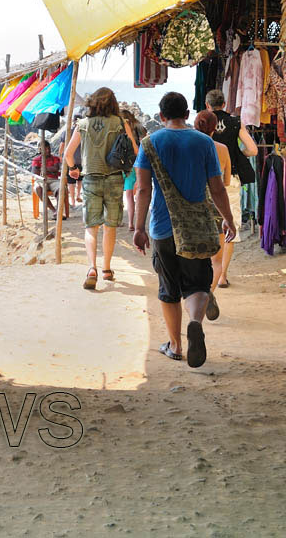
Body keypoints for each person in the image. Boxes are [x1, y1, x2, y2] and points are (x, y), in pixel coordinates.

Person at [133, 92, 236, 368]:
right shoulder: (204, 142)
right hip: (196, 228)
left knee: (168, 288)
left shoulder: (150, 143)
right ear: (188, 114)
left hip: (163, 229)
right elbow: (217, 188)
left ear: (162, 115)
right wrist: (228, 219)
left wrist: (138, 227)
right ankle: (194, 323)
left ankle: (176, 345)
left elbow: (143, 189)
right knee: (198, 284)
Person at [64, 87, 137, 289]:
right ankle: (106, 268)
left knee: (91, 227)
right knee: (110, 226)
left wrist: (73, 170)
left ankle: (91, 268)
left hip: (90, 179)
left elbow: (68, 154)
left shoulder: (82, 124)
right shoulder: (121, 123)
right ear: (113, 103)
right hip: (114, 178)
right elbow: (135, 150)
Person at [194, 110, 232, 319]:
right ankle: (208, 293)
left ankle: (198, 294)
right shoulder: (223, 149)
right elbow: (225, 182)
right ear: (214, 127)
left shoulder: (189, 147)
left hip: (194, 205)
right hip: (216, 205)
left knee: (196, 255)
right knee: (216, 259)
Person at [204, 88, 258, 233]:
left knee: (211, 226)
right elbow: (253, 150)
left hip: (208, 179)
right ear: (224, 104)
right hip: (231, 176)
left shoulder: (203, 123)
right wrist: (238, 154)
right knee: (231, 225)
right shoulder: (235, 122)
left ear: (207, 105)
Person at [119, 109, 147, 231]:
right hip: (134, 162)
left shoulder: (117, 126)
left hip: (118, 162)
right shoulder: (138, 126)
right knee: (130, 196)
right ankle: (131, 223)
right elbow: (145, 143)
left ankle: (117, 220)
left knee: (118, 195)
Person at [30, 139, 62, 218]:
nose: (48, 150)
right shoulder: (36, 159)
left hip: (54, 180)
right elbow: (35, 172)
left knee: (60, 188)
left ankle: (59, 211)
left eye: (49, 148)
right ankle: (53, 210)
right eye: (45, 149)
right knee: (38, 188)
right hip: (41, 179)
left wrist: (43, 168)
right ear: (40, 150)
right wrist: (49, 169)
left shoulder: (55, 158)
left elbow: (56, 168)